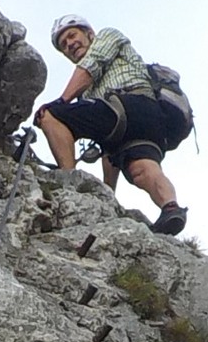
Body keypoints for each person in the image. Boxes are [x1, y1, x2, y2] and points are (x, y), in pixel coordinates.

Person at [35, 16, 189, 235]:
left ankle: (69, 183)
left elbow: (90, 67)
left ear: (89, 33)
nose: (69, 44)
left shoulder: (107, 36)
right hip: (146, 122)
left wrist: (61, 102)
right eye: (64, 45)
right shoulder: (87, 93)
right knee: (142, 170)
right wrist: (108, 193)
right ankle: (170, 208)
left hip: (130, 104)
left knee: (50, 115)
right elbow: (109, 148)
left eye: (72, 35)